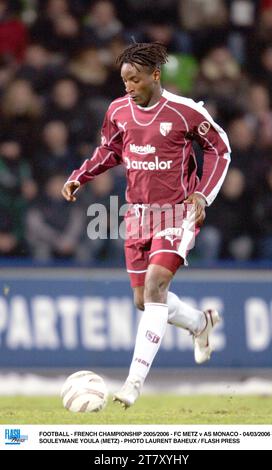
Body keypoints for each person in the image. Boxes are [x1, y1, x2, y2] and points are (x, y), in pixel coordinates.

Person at [62, 42, 231, 408]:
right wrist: (80, 176)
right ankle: (200, 323)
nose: (128, 87)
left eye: (135, 80)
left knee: (156, 287)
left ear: (155, 75)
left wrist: (202, 195)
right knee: (144, 301)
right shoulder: (118, 110)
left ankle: (133, 383)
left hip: (176, 214)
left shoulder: (185, 112)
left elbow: (220, 148)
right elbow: (110, 150)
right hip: (137, 214)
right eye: (124, 81)